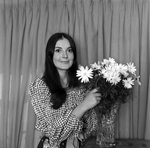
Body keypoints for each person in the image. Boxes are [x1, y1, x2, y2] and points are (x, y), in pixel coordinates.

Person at [29, 32, 101, 148]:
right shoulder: (40, 86)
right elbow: (55, 133)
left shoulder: (82, 86)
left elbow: (91, 126)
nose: (65, 56)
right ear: (50, 55)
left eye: (69, 50)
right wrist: (83, 106)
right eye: (58, 50)